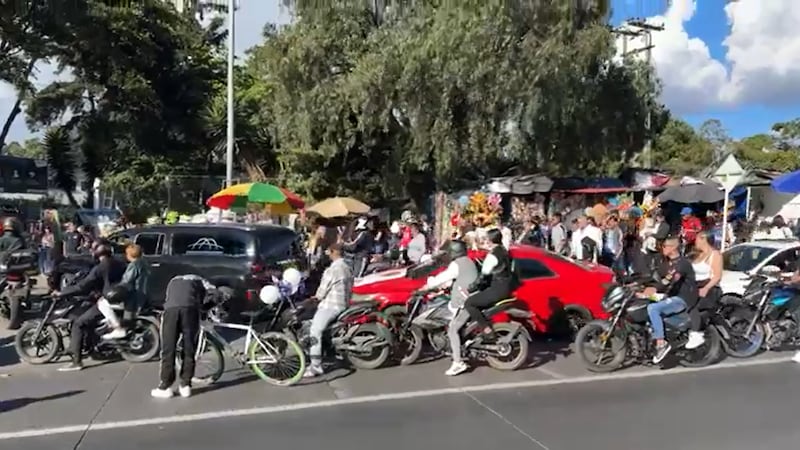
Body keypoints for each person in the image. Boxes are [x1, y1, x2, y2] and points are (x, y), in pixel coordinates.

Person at [54, 240, 126, 371]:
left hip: (108, 300)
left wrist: (62, 292)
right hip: (119, 297)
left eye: (93, 249)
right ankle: (92, 346)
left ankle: (76, 362)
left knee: (78, 323)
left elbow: (83, 285)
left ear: (98, 251)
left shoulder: (101, 267)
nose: (91, 251)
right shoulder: (117, 262)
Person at [151, 274, 220, 399]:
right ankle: (185, 385)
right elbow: (216, 294)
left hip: (171, 311)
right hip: (190, 310)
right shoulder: (200, 280)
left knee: (168, 349)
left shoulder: (172, 281)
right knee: (189, 348)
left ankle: (165, 386)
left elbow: (167, 299)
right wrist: (204, 307)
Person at [419, 240, 479, 376]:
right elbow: (452, 280)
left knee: (452, 329)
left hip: (465, 302)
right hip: (468, 298)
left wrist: (427, 286)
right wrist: (441, 288)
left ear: (454, 252)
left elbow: (443, 277)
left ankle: (458, 363)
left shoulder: (456, 264)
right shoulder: (468, 261)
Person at [641, 237, 698, 363]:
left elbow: (669, 280)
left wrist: (654, 289)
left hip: (682, 298)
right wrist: (641, 287)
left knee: (653, 308)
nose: (662, 248)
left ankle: (661, 344)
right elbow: (657, 277)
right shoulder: (668, 263)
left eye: (665, 246)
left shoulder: (682, 263)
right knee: (644, 302)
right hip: (670, 296)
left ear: (673, 248)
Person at [304, 243, 353, 377]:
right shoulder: (347, 267)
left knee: (315, 331)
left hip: (331, 306)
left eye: (328, 251)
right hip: (344, 304)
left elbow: (321, 293)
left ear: (334, 252)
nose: (327, 254)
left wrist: (312, 299)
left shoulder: (332, 270)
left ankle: (315, 366)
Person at [462, 228, 515, 344]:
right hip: (505, 287)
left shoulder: (492, 256)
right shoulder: (504, 251)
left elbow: (483, 277)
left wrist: (470, 289)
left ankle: (486, 329)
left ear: (490, 240)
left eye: (486, 239)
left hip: (497, 289)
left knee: (469, 303)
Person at [100, 244, 152, 340]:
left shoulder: (134, 265)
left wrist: (114, 288)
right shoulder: (144, 263)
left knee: (102, 303)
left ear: (130, 255)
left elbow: (126, 281)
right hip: (143, 294)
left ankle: (117, 327)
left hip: (133, 296)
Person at [686, 231, 722, 349]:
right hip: (695, 286)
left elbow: (717, 276)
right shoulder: (696, 254)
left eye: (697, 239)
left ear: (704, 240)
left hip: (709, 287)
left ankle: (696, 333)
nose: (695, 242)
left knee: (692, 305)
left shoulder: (715, 255)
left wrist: (706, 288)